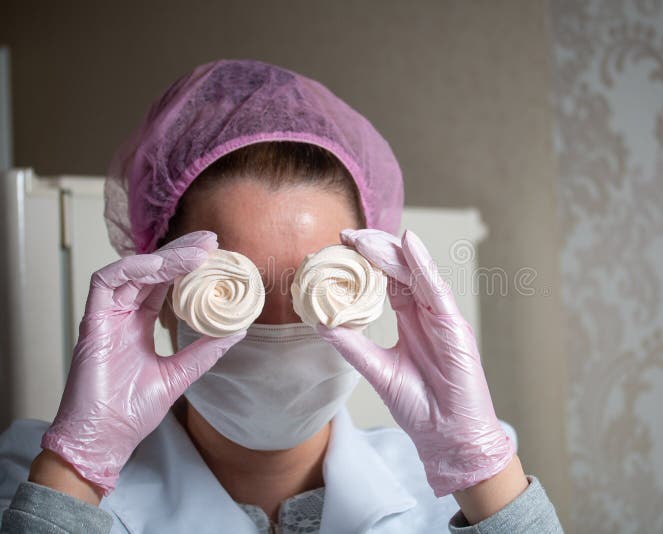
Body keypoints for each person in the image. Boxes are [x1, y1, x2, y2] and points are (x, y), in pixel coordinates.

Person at [0, 59, 563, 533]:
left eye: (322, 285)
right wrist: (78, 466)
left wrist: (481, 471)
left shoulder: (461, 491)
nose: (280, 326)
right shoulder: (37, 480)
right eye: (231, 289)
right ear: (163, 291)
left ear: (370, 283)